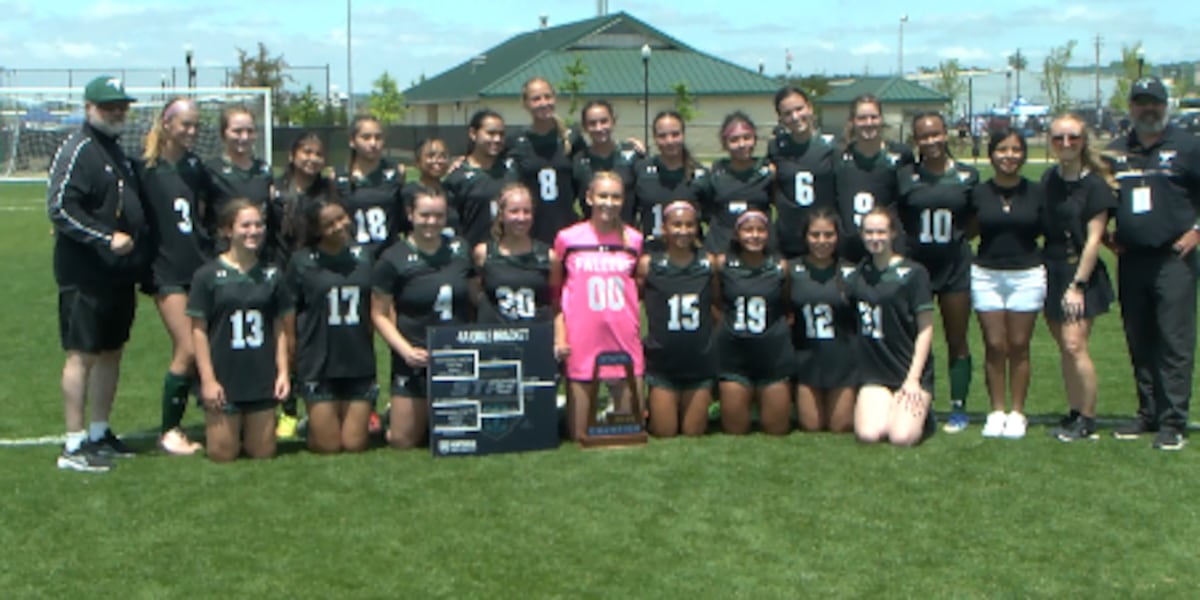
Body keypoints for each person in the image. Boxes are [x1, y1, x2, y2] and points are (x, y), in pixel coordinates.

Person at [47, 76, 148, 472]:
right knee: (82, 354)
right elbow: (60, 208)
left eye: (121, 106)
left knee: (111, 351)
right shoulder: (78, 149)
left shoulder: (116, 150)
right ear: (89, 107)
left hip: (117, 275)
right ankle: (73, 444)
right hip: (84, 273)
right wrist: (106, 238)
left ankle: (99, 431)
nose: (116, 113)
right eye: (108, 107)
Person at [1106, 77, 1200, 450]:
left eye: (1154, 103)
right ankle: (1147, 413)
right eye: (1141, 103)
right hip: (1132, 259)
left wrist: (1197, 230)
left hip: (1173, 259)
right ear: (1130, 107)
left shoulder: (1188, 146)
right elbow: (1102, 197)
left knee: (1174, 341)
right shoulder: (1118, 151)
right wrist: (1108, 234)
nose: (1148, 109)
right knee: (1139, 338)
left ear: (1166, 106)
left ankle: (1173, 420)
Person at [140, 97, 223, 455]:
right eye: (185, 124)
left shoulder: (195, 167)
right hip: (166, 270)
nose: (191, 131)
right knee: (188, 348)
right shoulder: (144, 168)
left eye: (196, 126)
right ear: (167, 123)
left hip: (199, 266)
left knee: (206, 346)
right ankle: (170, 429)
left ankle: (210, 416)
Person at [371, 189, 476, 449]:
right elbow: (379, 314)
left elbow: (475, 295)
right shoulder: (392, 258)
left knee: (458, 436)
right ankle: (391, 413)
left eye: (438, 215)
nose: (432, 222)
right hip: (416, 354)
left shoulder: (460, 250)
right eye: (425, 215)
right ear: (410, 215)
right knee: (403, 440)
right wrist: (406, 351)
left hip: (456, 353)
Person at [188, 199, 292, 462]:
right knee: (223, 454)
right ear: (227, 230)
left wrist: (283, 373)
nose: (253, 231)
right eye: (245, 225)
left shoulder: (272, 275)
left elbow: (279, 327)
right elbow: (198, 331)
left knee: (263, 453)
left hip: (260, 371)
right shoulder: (207, 276)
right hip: (226, 372)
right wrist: (208, 381)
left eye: (258, 225)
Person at [896, 112, 978, 432]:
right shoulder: (905, 176)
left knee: (957, 338)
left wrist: (956, 243)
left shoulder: (967, 175)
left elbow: (974, 220)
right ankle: (917, 400)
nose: (930, 141)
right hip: (916, 268)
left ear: (946, 135)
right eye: (923, 136)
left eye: (935, 134)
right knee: (915, 340)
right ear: (915, 141)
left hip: (954, 266)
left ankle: (958, 405)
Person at [551, 172, 644, 440]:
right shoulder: (568, 238)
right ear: (590, 198)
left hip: (623, 335)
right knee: (582, 434)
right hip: (583, 337)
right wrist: (561, 335)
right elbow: (557, 292)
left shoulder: (633, 240)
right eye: (603, 196)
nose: (609, 202)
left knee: (630, 431)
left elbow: (636, 285)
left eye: (615, 197)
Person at [1041, 114, 1116, 442]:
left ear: (1083, 141)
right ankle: (1074, 411)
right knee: (1065, 348)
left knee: (1075, 345)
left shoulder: (1095, 186)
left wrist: (1078, 286)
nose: (1066, 144)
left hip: (1079, 274)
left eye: (1073, 137)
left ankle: (1088, 417)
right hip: (1051, 269)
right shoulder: (1049, 179)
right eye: (1059, 138)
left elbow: (1094, 240)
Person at [969, 128, 1045, 439]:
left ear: (1024, 154)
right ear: (991, 154)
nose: (1009, 155)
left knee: (1019, 346)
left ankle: (1017, 412)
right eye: (1002, 149)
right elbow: (969, 231)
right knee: (994, 345)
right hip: (986, 274)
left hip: (1027, 274)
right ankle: (996, 411)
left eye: (1015, 150)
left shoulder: (1037, 191)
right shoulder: (977, 193)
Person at [285, 197, 375, 453]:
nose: (339, 226)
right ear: (317, 231)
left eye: (341, 217)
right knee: (329, 447)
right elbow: (289, 311)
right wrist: (291, 354)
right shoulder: (302, 262)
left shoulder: (364, 256)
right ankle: (312, 423)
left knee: (354, 444)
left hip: (357, 357)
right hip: (318, 358)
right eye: (329, 223)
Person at [848, 207, 935, 447]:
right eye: (869, 232)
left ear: (893, 233)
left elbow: (926, 328)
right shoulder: (859, 274)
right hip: (875, 373)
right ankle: (892, 407)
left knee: (901, 437)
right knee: (869, 435)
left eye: (881, 232)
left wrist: (913, 379)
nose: (875, 238)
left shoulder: (914, 273)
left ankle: (925, 414)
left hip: (907, 370)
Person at [635, 200, 715, 437]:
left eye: (689, 225)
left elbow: (718, 303)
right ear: (664, 229)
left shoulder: (708, 263)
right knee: (664, 432)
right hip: (663, 361)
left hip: (698, 360)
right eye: (677, 224)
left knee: (694, 432)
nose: (683, 230)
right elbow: (636, 301)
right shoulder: (649, 265)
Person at [712, 209, 794, 435]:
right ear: (737, 234)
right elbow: (716, 303)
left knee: (776, 429)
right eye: (748, 230)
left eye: (760, 230)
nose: (754, 235)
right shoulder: (723, 264)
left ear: (768, 234)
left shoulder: (781, 267)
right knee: (736, 429)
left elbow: (787, 305)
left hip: (772, 354)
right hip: (735, 354)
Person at [789, 209, 857, 433]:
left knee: (840, 426)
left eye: (828, 235)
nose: (822, 241)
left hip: (841, 360)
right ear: (805, 237)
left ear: (838, 237)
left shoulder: (851, 273)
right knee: (812, 426)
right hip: (807, 360)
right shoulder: (791, 271)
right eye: (815, 235)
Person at [834, 95, 913, 263]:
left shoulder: (901, 155)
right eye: (862, 118)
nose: (868, 123)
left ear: (881, 119)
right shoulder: (838, 157)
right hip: (850, 248)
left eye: (873, 117)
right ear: (852, 121)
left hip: (888, 247)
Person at [507, 77, 585, 244]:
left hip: (567, 227)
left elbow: (592, 165)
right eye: (536, 99)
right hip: (530, 230)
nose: (543, 103)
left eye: (547, 96)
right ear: (525, 103)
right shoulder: (515, 140)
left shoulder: (572, 138)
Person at [769, 87, 836, 258]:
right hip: (790, 238)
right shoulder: (776, 148)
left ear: (810, 108)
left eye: (799, 109)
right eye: (787, 113)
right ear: (780, 118)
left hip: (824, 238)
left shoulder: (832, 146)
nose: (795, 117)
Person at [473, 183, 554, 323]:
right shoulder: (483, 253)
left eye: (527, 211)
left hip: (536, 335)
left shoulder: (549, 257)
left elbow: (555, 302)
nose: (521, 218)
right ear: (501, 214)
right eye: (514, 211)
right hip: (496, 337)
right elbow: (475, 295)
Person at [632, 111, 710, 249]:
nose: (669, 141)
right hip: (652, 254)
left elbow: (714, 220)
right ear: (654, 138)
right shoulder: (640, 170)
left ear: (683, 134)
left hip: (689, 257)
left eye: (675, 134)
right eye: (662, 136)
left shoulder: (700, 175)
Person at [704, 111, 775, 254]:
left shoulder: (768, 171)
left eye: (747, 138)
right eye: (734, 140)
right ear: (725, 143)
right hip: (722, 248)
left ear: (755, 138)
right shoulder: (715, 173)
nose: (741, 144)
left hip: (758, 249)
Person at [445, 110, 518, 247]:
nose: (497, 139)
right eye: (490, 133)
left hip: (508, 258)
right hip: (473, 258)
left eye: (501, 134)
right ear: (473, 133)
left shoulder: (513, 171)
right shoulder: (457, 178)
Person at [336, 116, 406, 257]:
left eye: (378, 137)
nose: (373, 143)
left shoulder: (397, 172)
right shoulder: (338, 177)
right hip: (353, 257)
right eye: (366, 137)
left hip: (388, 257)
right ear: (352, 141)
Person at [269, 133, 336, 267]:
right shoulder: (274, 187)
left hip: (316, 266)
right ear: (292, 156)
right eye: (307, 152)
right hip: (280, 264)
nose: (313, 159)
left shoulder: (330, 190)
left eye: (319, 154)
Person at [573, 100, 641, 223]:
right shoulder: (578, 160)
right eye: (592, 123)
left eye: (604, 121)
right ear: (584, 126)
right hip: (592, 237)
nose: (599, 128)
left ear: (613, 121)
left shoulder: (633, 155)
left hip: (626, 234)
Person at [206, 105, 272, 213]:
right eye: (237, 131)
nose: (244, 137)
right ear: (223, 133)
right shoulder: (210, 170)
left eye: (250, 131)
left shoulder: (263, 169)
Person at [400, 137, 450, 235]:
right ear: (417, 162)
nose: (437, 161)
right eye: (431, 156)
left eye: (442, 156)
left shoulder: (452, 190)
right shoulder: (408, 192)